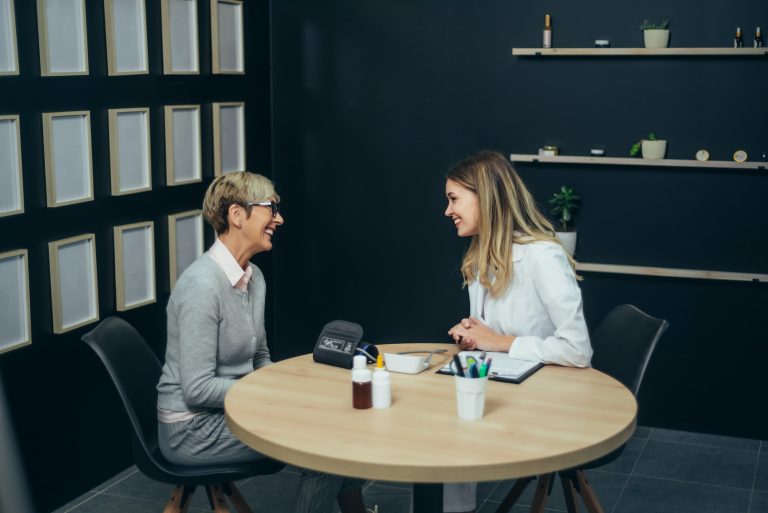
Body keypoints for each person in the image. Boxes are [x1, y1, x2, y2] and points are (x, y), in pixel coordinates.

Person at [156, 172, 369, 513]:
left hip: (236, 409)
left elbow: (260, 358)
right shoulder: (201, 286)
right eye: (271, 208)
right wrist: (267, 393)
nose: (279, 219)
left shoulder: (254, 278)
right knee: (324, 445)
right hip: (191, 430)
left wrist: (288, 389)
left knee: (334, 419)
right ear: (237, 215)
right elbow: (196, 389)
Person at [442, 151, 593, 513]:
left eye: (453, 199)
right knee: (437, 417)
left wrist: (500, 342)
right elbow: (492, 333)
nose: (447, 211)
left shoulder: (542, 256)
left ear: (486, 197)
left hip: (543, 401)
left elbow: (578, 351)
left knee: (446, 432)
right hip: (504, 386)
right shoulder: (482, 255)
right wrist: (475, 333)